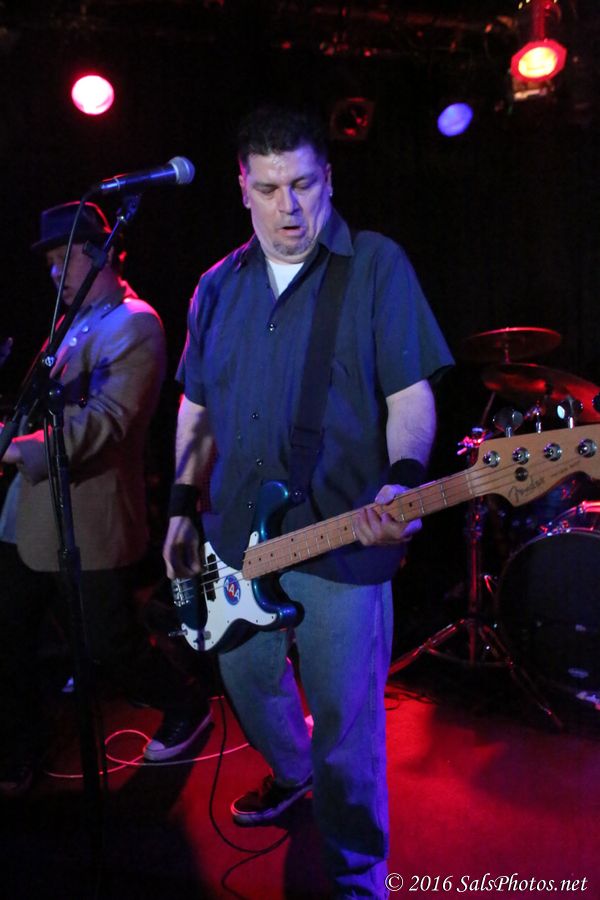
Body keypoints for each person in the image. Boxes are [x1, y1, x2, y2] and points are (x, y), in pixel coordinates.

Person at [163, 105, 454, 898]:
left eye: (303, 185)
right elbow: (196, 406)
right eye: (268, 189)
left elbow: (410, 393)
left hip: (342, 540)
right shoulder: (215, 287)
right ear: (242, 189)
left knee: (347, 726)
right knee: (248, 684)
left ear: (329, 178)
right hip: (234, 539)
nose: (288, 208)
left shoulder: (376, 267)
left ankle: (357, 874)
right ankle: (295, 776)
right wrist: (181, 503)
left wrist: (402, 476)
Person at [0, 201, 212, 797]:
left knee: (109, 644)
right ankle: (18, 746)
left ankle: (186, 703)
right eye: (48, 262)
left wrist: (20, 450)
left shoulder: (135, 323)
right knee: (7, 631)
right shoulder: (69, 325)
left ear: (103, 254)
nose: (53, 272)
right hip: (26, 516)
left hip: (87, 516)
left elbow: (110, 422)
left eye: (63, 258)